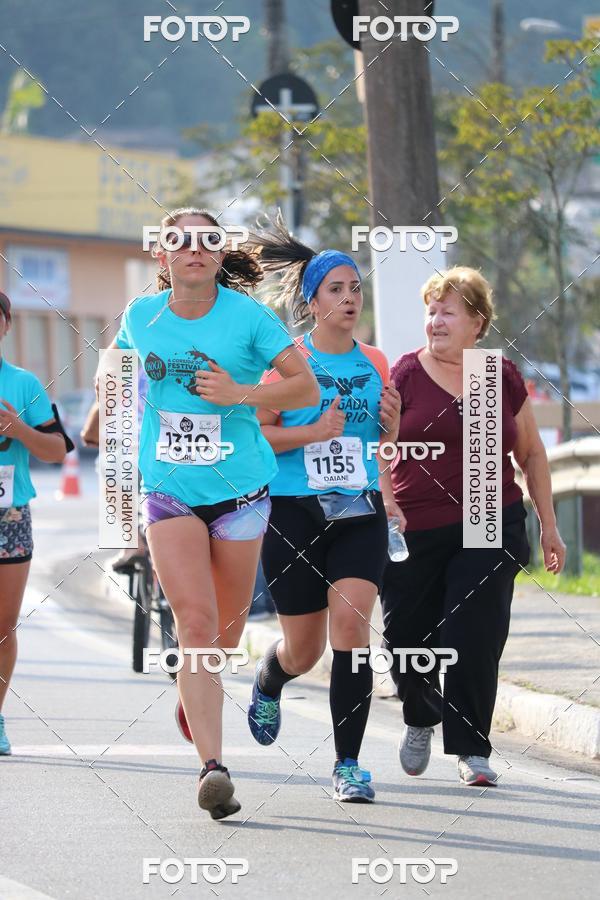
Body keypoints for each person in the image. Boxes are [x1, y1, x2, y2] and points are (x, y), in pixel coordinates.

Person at [101, 207, 318, 819]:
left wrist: (240, 394)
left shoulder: (250, 318)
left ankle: (196, 694)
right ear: (162, 257)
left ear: (221, 255)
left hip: (242, 489)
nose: (194, 249)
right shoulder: (141, 317)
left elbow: (305, 391)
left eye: (207, 240)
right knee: (194, 626)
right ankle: (213, 769)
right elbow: (115, 367)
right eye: (180, 241)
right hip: (169, 491)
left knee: (221, 637)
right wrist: (106, 396)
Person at [381, 266, 566, 787]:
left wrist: (550, 526)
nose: (435, 321)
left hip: (490, 516)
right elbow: (381, 449)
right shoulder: (406, 374)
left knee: (474, 632)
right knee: (404, 639)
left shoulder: (496, 375)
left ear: (476, 324)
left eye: (447, 311)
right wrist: (387, 503)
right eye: (431, 311)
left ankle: (471, 748)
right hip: (416, 522)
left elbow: (530, 453)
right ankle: (420, 714)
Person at [245, 221, 401, 803]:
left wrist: (393, 423)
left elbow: (381, 439)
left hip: (359, 508)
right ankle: (271, 675)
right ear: (311, 302)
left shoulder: (377, 361)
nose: (350, 298)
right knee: (304, 650)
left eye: (355, 288)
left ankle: (349, 764)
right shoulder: (287, 365)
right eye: (336, 289)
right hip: (292, 511)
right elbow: (258, 438)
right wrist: (312, 431)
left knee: (352, 629)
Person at [0, 290, 72, 755]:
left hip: (9, 515)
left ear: (6, 325)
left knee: (3, 626)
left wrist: (18, 429)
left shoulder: (23, 384)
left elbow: (57, 449)